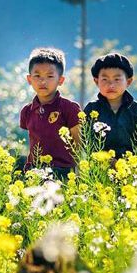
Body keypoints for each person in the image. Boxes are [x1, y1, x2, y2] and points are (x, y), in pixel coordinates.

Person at [19, 47, 82, 179]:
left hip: (62, 173)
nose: (43, 81)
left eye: (50, 76)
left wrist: (79, 175)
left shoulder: (70, 108)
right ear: (29, 79)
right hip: (34, 172)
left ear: (60, 80)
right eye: (37, 76)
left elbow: (79, 145)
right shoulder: (27, 111)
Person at [83, 52, 137, 158]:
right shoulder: (92, 109)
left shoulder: (135, 109)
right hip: (99, 166)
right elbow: (85, 141)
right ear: (96, 82)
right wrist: (104, 160)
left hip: (130, 166)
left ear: (128, 82)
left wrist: (132, 164)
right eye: (105, 79)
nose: (111, 85)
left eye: (117, 79)